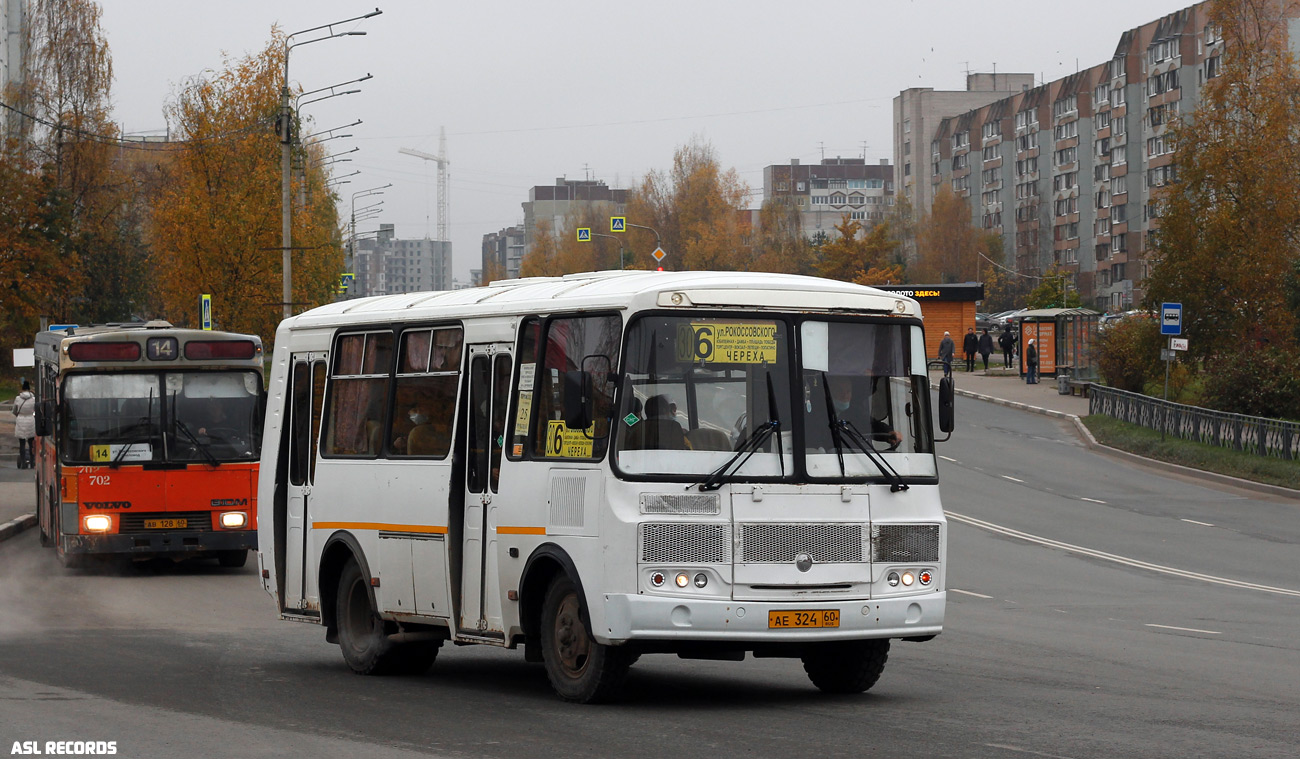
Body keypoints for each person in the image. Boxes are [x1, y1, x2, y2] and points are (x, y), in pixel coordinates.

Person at [825, 375, 902, 447]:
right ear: (830, 392)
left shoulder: (854, 412)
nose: (845, 395)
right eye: (839, 391)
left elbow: (871, 425)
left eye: (848, 391)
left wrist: (889, 432)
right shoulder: (821, 414)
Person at [12, 380, 36, 469]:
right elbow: (36, 409)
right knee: (31, 444)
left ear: (22, 389)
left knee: (22, 444)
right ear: (29, 389)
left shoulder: (18, 399)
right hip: (31, 421)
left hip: (20, 421)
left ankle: (23, 463)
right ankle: (32, 462)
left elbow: (14, 410)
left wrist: (18, 415)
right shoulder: (33, 399)